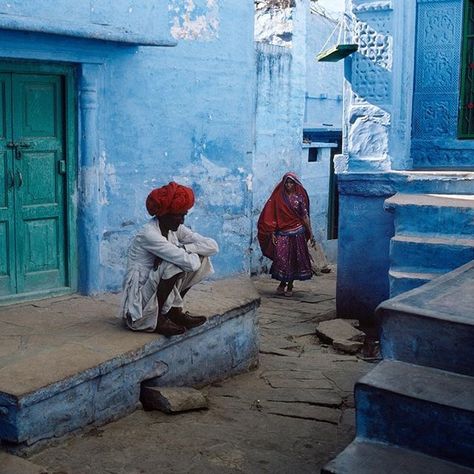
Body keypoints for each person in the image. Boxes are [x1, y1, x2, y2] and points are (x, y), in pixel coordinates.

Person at [119, 182, 219, 336]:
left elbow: (212, 246)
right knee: (175, 265)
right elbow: (190, 263)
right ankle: (156, 318)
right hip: (140, 300)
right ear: (163, 214)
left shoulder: (174, 229)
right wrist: (185, 253)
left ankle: (174, 311)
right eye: (179, 216)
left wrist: (186, 248)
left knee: (202, 258)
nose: (182, 221)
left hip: (153, 285)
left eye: (184, 215)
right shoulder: (149, 234)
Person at [257, 172, 315, 297]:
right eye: (287, 182)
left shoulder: (299, 198)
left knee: (295, 259)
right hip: (282, 233)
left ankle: (289, 285)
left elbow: (304, 216)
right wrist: (272, 231)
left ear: (295, 184)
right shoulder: (278, 198)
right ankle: (283, 283)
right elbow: (271, 214)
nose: (289, 185)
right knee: (282, 259)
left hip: (297, 233)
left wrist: (310, 231)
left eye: (291, 182)